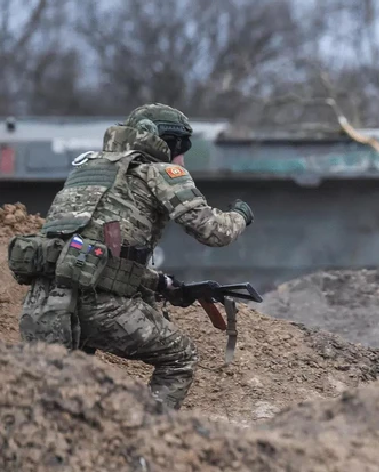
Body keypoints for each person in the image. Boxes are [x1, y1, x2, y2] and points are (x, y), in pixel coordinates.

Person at [10, 103, 254, 409]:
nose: (182, 156)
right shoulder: (160, 172)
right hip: (97, 307)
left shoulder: (88, 169)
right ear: (164, 142)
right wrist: (241, 215)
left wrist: (163, 284)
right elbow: (215, 232)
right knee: (180, 357)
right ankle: (146, 431)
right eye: (181, 146)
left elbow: (95, 251)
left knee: (57, 406)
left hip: (41, 308)